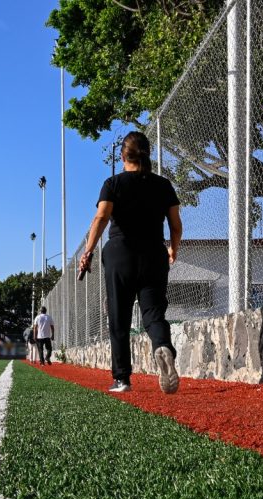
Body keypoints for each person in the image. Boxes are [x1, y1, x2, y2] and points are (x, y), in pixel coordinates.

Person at [77, 130, 182, 394]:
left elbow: (101, 218)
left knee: (119, 317)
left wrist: (87, 252)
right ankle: (162, 346)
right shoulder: (164, 185)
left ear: (123, 155)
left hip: (120, 253)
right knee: (154, 312)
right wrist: (173, 249)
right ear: (148, 154)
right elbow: (176, 225)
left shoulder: (113, 183)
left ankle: (122, 379)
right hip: (153, 254)